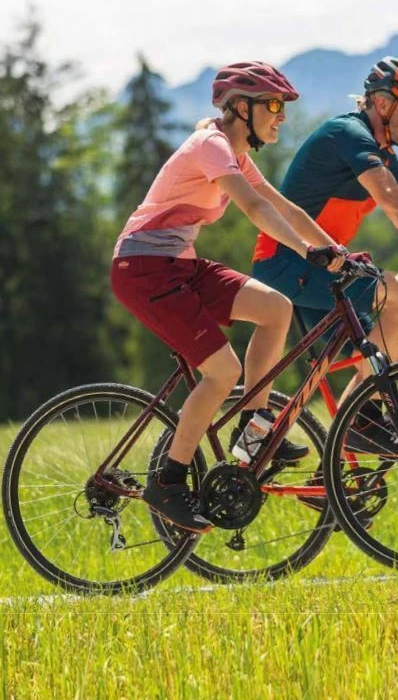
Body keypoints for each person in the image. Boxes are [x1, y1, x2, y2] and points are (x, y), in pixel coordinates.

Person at [111, 62, 345, 533]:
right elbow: (254, 208)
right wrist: (306, 252)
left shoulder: (234, 151)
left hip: (177, 265)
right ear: (241, 108)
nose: (281, 116)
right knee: (222, 371)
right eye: (273, 105)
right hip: (143, 269)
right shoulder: (211, 145)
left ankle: (253, 427)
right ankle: (168, 481)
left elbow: (281, 205)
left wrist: (335, 250)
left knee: (276, 308)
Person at [252, 56, 398, 454]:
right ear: (383, 104)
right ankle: (363, 419)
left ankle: (341, 461)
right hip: (288, 263)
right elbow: (393, 202)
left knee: (374, 362)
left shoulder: (380, 151)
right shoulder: (349, 134)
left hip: (327, 268)